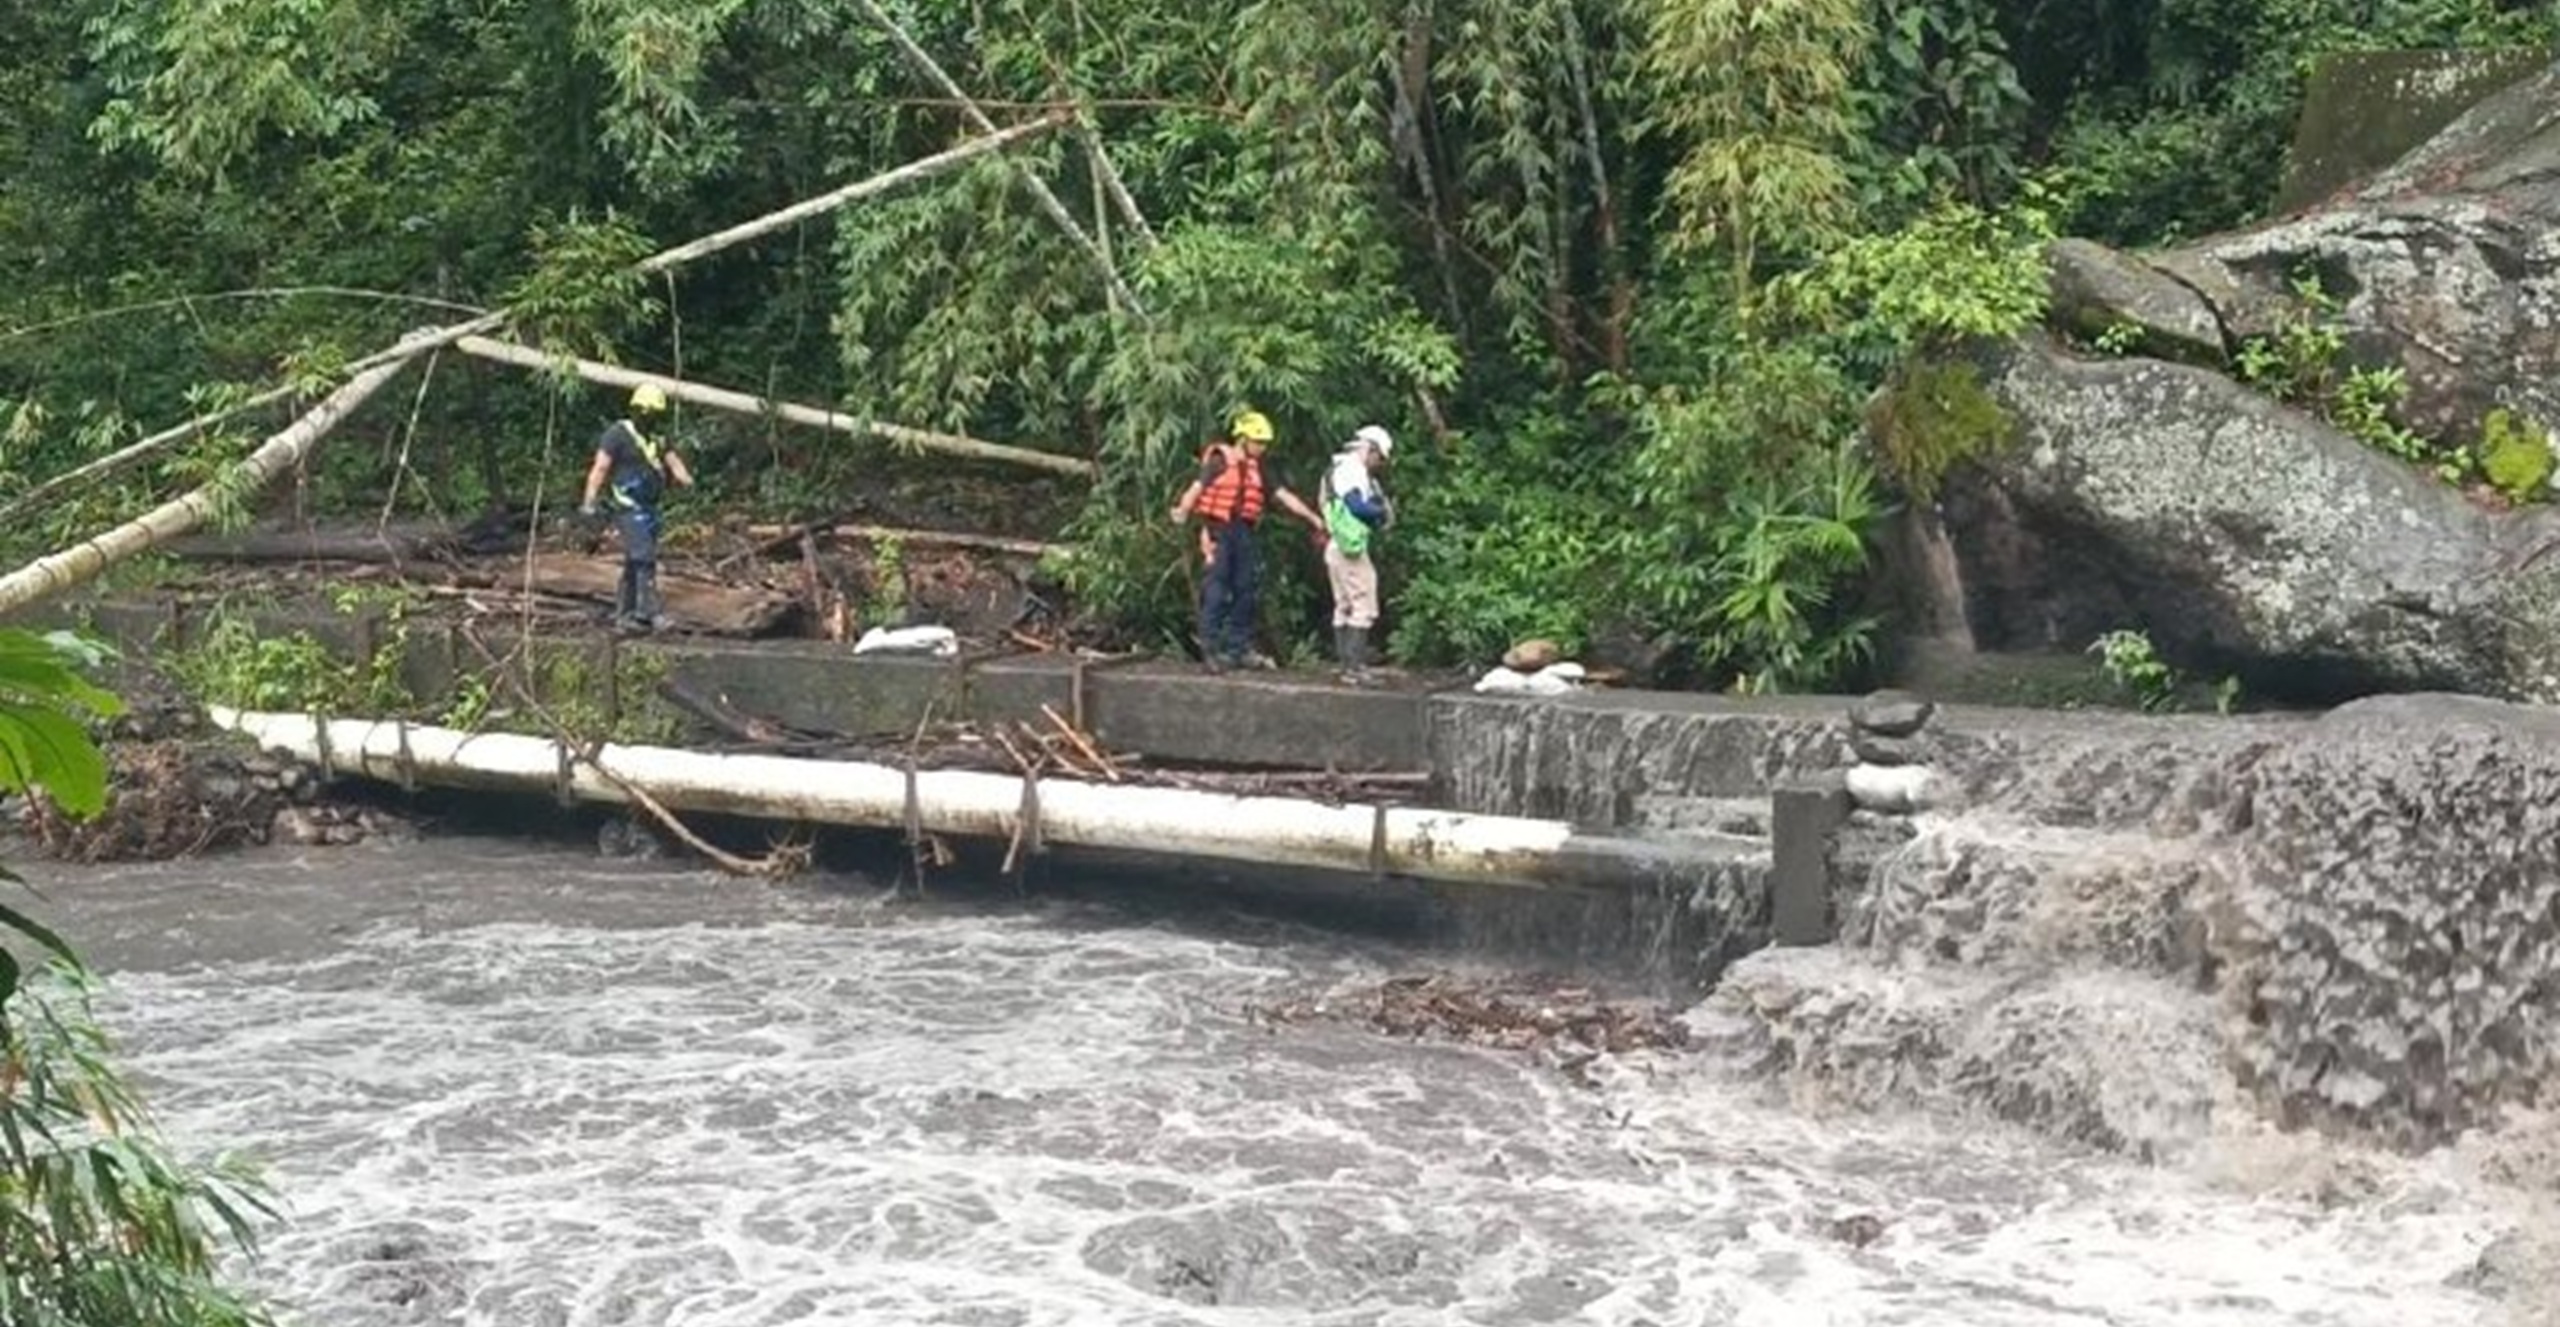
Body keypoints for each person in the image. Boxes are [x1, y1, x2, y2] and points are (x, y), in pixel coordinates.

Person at [1168, 409, 1326, 671]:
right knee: (1217, 590)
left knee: (1246, 589)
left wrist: (1313, 518)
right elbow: (1197, 487)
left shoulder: (1257, 468)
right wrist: (1183, 510)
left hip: (1243, 532)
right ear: (1243, 439)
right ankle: (1211, 650)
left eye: (1263, 443)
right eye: (1258, 442)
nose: (1262, 447)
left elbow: (1282, 495)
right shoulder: (1220, 460)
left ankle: (1238, 648)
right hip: (1218, 530)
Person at [580, 382, 694, 635]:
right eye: (648, 414)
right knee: (644, 556)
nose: (650, 420)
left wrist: (685, 478)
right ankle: (649, 614)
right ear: (638, 410)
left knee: (634, 561)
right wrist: (589, 501)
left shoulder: (657, 438)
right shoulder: (617, 434)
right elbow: (600, 468)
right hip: (627, 506)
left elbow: (673, 460)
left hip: (650, 507)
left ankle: (624, 615)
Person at [1321, 424, 1394, 680]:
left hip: (1334, 544)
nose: (1378, 463)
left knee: (1343, 603)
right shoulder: (1352, 470)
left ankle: (1345, 665)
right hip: (1349, 548)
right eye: (1379, 457)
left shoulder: (1335, 468)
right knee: (1363, 602)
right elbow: (1356, 506)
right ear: (1370, 449)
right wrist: (1381, 511)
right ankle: (1354, 667)